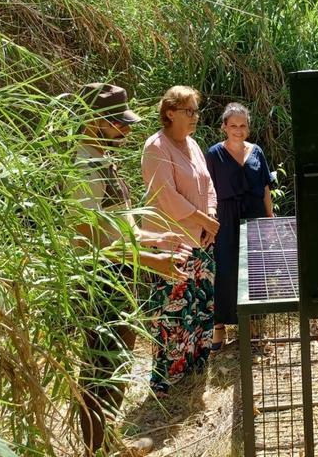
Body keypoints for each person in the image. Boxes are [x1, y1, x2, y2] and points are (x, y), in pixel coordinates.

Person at [71, 83, 190, 456]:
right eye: (116, 123)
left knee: (115, 367)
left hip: (117, 279)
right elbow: (91, 242)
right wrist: (151, 260)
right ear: (92, 121)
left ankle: (107, 443)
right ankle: (97, 450)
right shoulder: (84, 166)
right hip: (99, 284)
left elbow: (120, 227)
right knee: (98, 373)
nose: (124, 130)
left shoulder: (101, 158)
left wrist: (157, 237)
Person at [141, 85, 219, 396]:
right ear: (169, 112)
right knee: (173, 311)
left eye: (196, 111)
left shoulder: (193, 144)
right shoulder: (156, 147)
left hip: (202, 240)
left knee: (201, 305)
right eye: (189, 111)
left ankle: (196, 365)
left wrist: (210, 218)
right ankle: (165, 378)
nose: (195, 117)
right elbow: (167, 197)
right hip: (172, 243)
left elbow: (208, 184)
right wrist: (204, 220)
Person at [205, 103, 274, 346]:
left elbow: (265, 187)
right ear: (224, 127)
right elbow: (207, 190)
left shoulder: (257, 151)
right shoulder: (214, 154)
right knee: (225, 268)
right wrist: (208, 220)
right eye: (233, 125)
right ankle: (219, 326)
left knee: (255, 269)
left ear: (248, 127)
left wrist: (270, 219)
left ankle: (253, 322)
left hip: (254, 215)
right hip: (226, 216)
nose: (238, 129)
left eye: (243, 125)